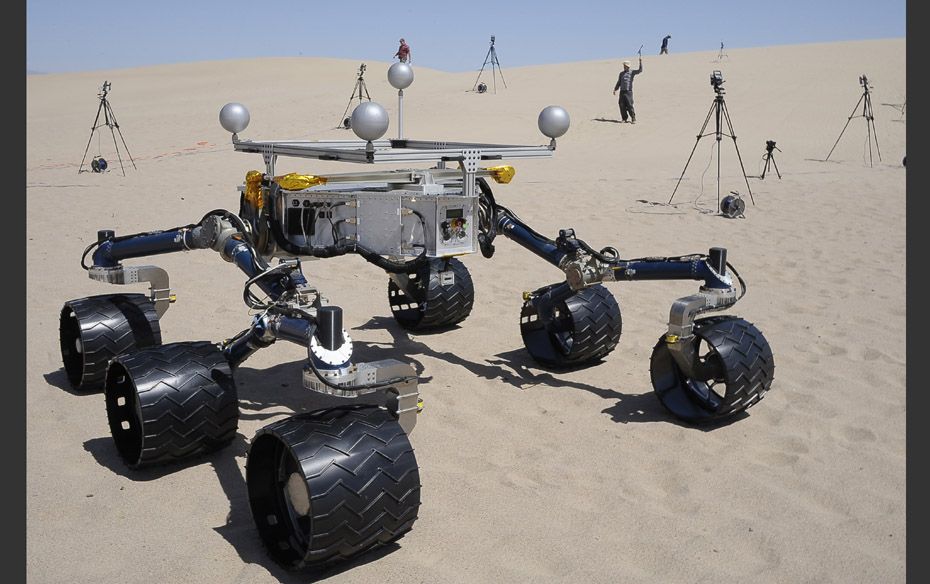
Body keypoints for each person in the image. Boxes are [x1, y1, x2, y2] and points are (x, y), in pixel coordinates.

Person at [612, 58, 643, 123]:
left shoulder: (632, 72)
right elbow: (619, 82)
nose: (624, 66)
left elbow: (640, 70)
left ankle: (633, 118)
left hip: (628, 92)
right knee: (621, 104)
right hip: (622, 92)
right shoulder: (621, 73)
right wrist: (615, 89)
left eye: (625, 65)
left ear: (628, 66)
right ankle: (624, 118)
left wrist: (640, 62)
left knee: (629, 105)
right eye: (624, 65)